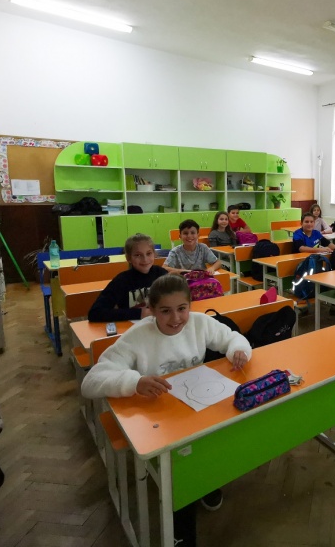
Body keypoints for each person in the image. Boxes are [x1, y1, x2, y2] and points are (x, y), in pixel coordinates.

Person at [82, 274, 252, 547]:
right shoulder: (138, 336)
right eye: (165, 311)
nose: (175, 318)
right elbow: (91, 382)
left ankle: (204, 482)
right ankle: (182, 526)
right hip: (159, 422)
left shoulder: (199, 323)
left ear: (190, 305)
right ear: (150, 310)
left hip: (195, 410)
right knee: (182, 466)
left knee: (217, 439)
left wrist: (238, 350)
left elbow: (232, 338)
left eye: (182, 308)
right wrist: (134, 382)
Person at [88, 234, 167, 322]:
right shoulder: (122, 281)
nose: (145, 259)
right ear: (128, 258)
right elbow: (95, 313)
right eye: (138, 255)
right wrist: (139, 313)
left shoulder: (162, 274)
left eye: (149, 253)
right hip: (132, 327)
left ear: (154, 254)